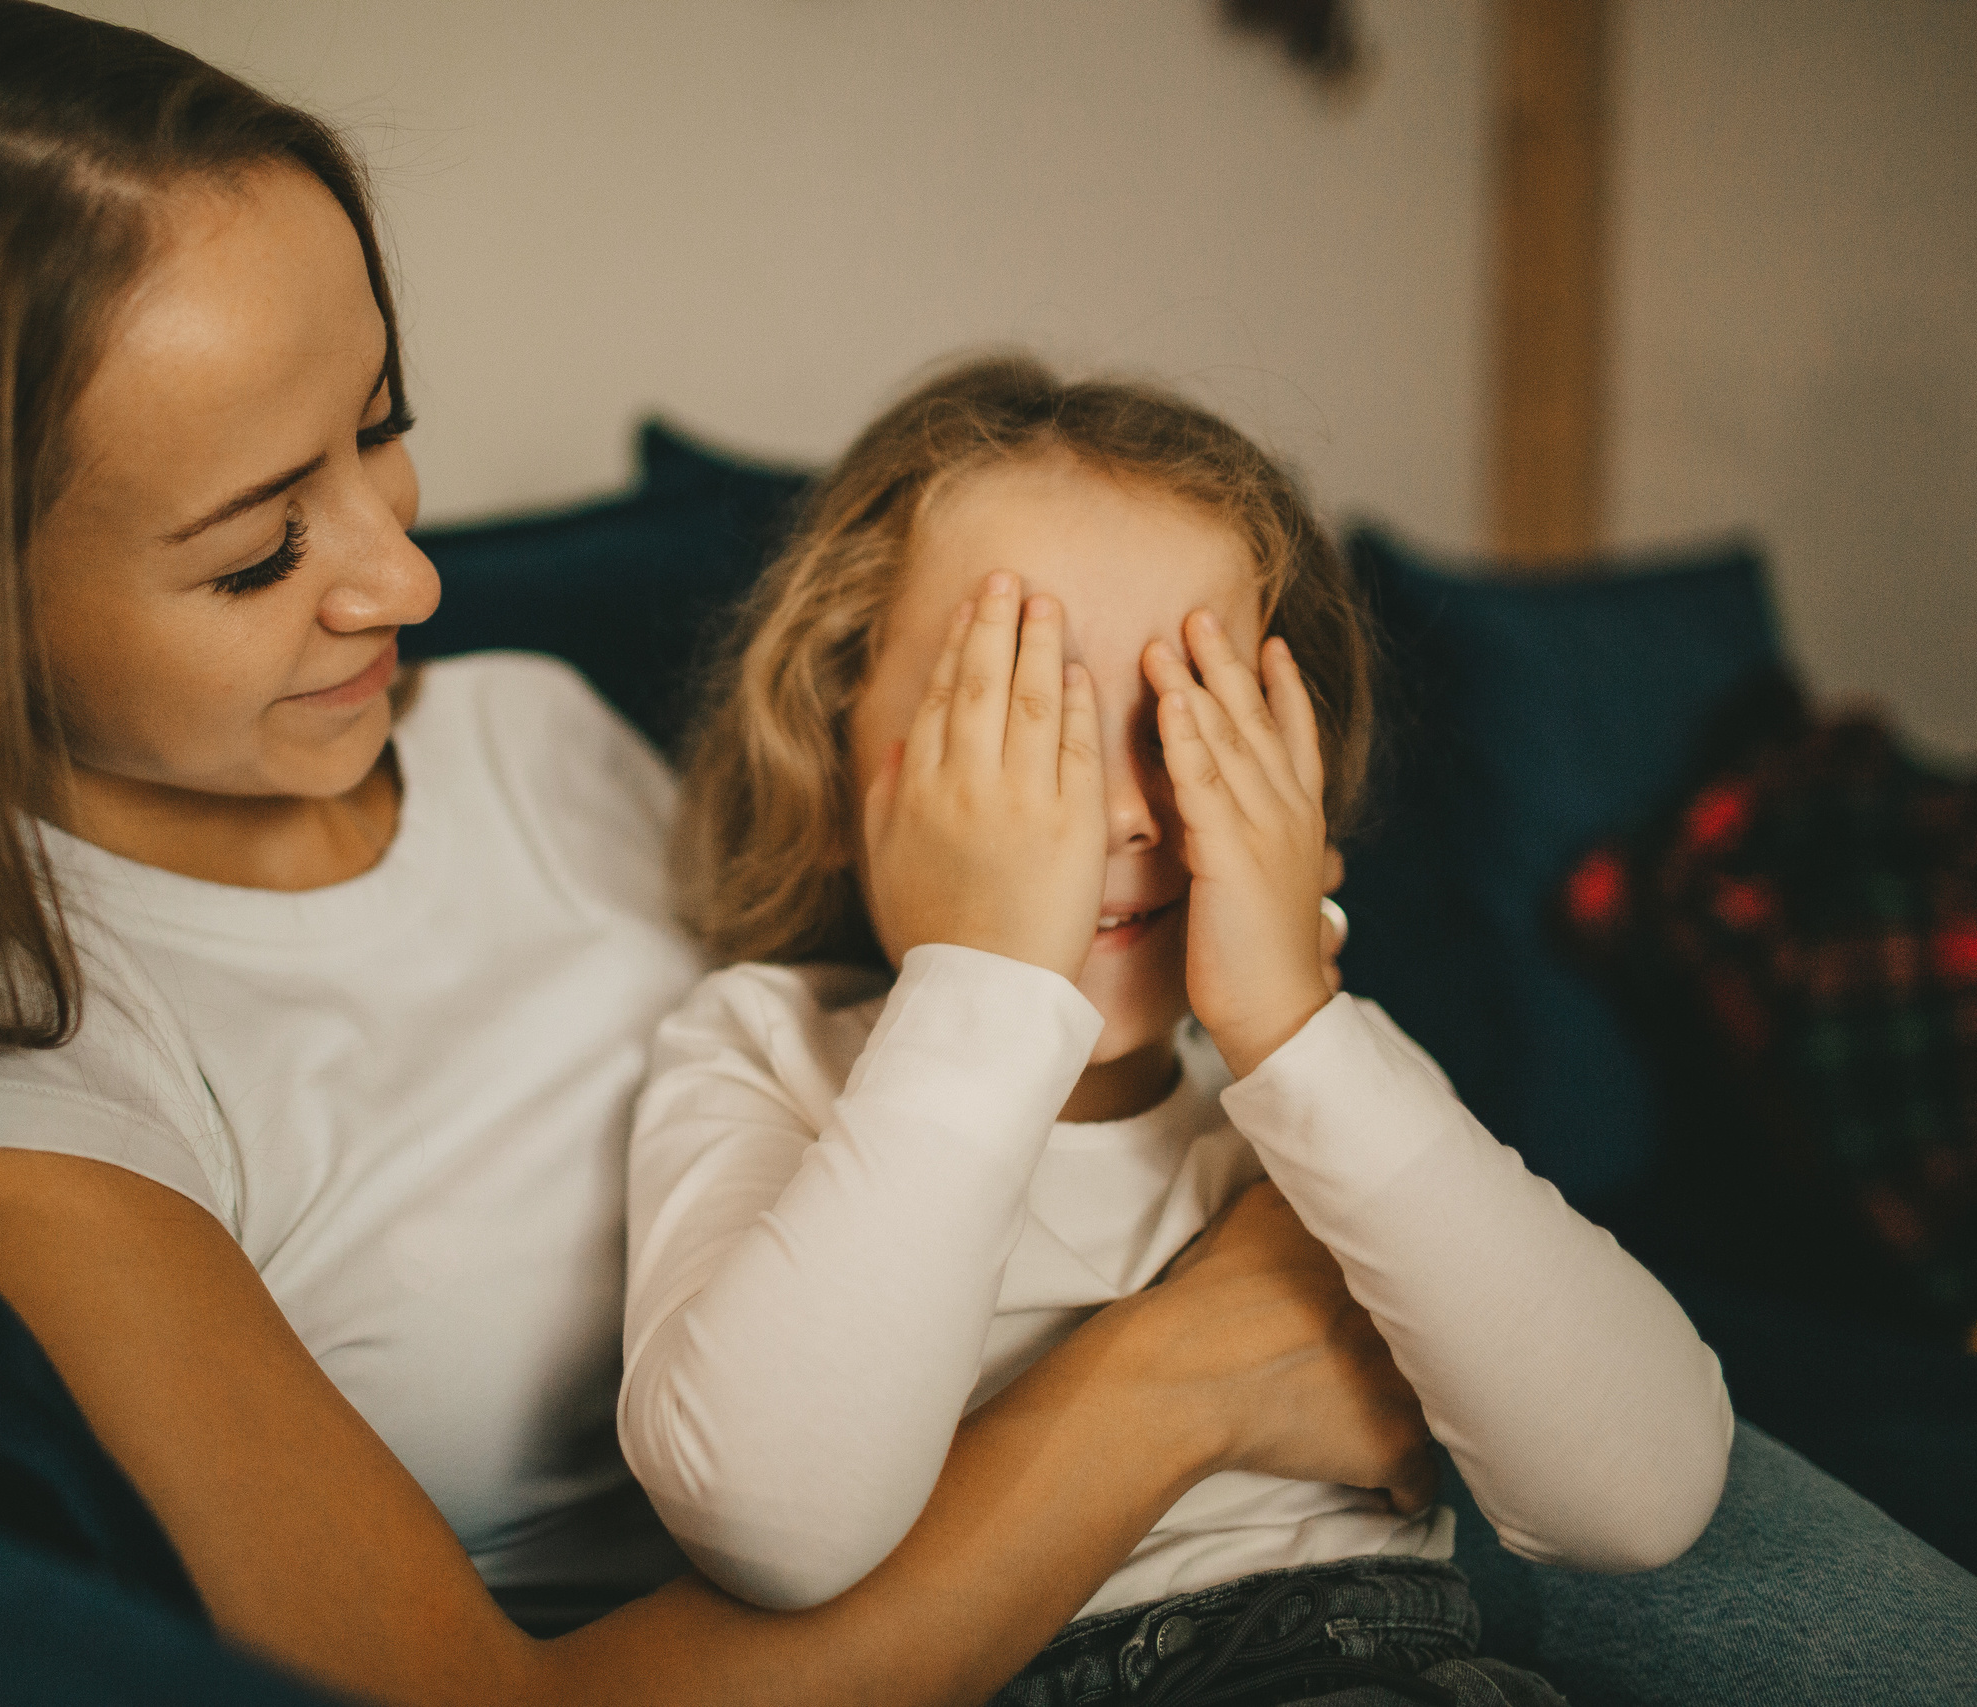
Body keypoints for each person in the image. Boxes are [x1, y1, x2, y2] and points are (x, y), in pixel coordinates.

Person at [0, 2, 1977, 1704]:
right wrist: (1181, 1376)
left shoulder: (508, 724)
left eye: (386, 428)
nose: (399, 571)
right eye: (257, 539)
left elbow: (931, 990)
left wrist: (1278, 1046)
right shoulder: (22, 1101)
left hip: (1362, 1443)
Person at [623, 359, 1730, 1703]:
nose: (1128, 810)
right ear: (833, 741)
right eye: (1030, 718)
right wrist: (983, 989)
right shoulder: (763, 1052)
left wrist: (1293, 1027)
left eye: (1190, 725)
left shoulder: (1325, 1095)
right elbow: (769, 1524)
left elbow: (1644, 1495)